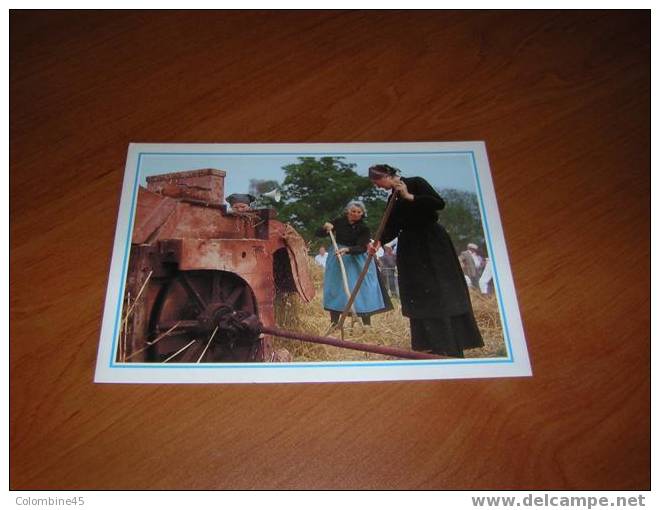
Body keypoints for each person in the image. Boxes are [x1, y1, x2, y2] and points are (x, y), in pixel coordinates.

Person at [367, 164, 483, 357]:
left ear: (386, 175)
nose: (377, 187)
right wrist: (377, 241)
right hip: (411, 249)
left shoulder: (416, 183)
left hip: (432, 244)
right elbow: (392, 227)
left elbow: (439, 203)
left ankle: (451, 345)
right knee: (419, 293)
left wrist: (410, 197)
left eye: (377, 182)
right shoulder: (392, 199)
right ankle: (431, 346)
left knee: (440, 290)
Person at [316, 200, 391, 326]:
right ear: (348, 211)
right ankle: (334, 323)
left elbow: (362, 247)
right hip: (338, 258)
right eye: (353, 211)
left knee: (362, 289)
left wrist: (348, 250)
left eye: (358, 212)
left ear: (362, 214)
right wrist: (325, 227)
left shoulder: (364, 228)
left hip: (358, 259)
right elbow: (319, 234)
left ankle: (366, 324)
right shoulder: (339, 222)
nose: (355, 214)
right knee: (336, 288)